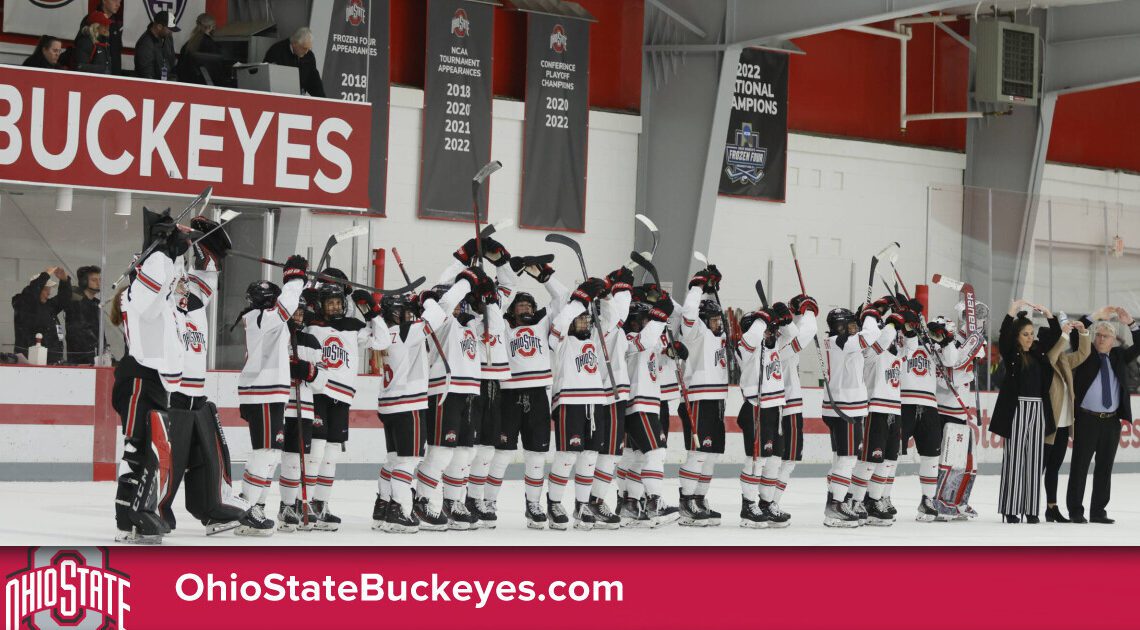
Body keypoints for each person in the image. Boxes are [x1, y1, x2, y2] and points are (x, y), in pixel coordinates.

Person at [106, 215, 188, 543]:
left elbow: (167, 289)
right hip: (138, 379)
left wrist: (176, 257)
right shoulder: (136, 295)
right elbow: (153, 295)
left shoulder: (154, 295)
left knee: (148, 448)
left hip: (148, 380)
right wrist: (162, 256)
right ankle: (131, 517)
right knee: (139, 448)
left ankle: (134, 515)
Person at [489, 252, 568, 528]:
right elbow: (496, 303)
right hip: (508, 395)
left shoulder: (543, 323)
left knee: (537, 455)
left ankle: (534, 506)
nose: (524, 308)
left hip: (538, 396)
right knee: (501, 454)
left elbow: (562, 299)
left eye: (528, 304)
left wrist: (546, 277)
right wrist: (508, 274)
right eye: (519, 304)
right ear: (512, 309)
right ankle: (488, 502)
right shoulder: (502, 323)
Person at [1067, 307, 1140, 524]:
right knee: (1079, 466)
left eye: (1105, 336)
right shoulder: (1086, 353)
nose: (1100, 339)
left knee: (1104, 467)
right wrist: (1094, 317)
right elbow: (1074, 334)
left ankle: (1098, 511)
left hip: (1110, 422)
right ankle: (1076, 511)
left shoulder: (1118, 355)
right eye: (1098, 335)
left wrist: (1131, 324)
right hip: (1087, 419)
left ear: (1113, 340)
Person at [990, 299, 1057, 523]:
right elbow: (1003, 334)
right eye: (1026, 334)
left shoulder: (1038, 352)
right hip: (1017, 409)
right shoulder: (1012, 355)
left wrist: (1048, 313)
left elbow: (1055, 334)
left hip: (1037, 409)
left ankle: (1030, 509)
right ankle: (1010, 508)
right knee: (1015, 459)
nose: (1030, 337)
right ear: (1017, 336)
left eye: (1031, 333)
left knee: (1034, 461)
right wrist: (1011, 311)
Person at [677, 265, 729, 526]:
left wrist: (711, 290)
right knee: (698, 452)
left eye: (719, 319)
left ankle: (699, 498)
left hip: (717, 401)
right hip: (697, 399)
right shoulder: (695, 332)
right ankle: (686, 502)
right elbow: (687, 313)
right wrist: (697, 287)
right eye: (714, 319)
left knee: (712, 454)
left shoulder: (719, 335)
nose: (718, 323)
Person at [820, 306, 881, 527]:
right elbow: (873, 334)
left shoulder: (839, 342)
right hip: (845, 409)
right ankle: (835, 505)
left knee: (840, 459)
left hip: (840, 407)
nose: (856, 329)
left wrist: (864, 320)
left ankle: (837, 499)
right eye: (851, 325)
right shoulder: (843, 342)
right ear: (840, 326)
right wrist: (872, 316)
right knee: (846, 460)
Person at [734, 301, 793, 528]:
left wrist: (783, 318)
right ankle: (748, 506)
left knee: (774, 461)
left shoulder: (774, 346)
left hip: (775, 408)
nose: (771, 332)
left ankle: (766, 504)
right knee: (756, 460)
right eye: (768, 329)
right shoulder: (746, 348)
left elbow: (795, 335)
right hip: (756, 408)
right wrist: (762, 319)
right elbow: (750, 340)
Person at [1043, 317, 1090, 522]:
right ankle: (1028, 505)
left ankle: (1051, 507)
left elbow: (1083, 353)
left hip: (1063, 426)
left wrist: (1083, 332)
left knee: (1053, 468)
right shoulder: (1046, 359)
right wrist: (1063, 334)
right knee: (1040, 468)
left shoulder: (1063, 359)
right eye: (1061, 340)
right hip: (1048, 425)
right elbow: (1052, 354)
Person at [11, 267, 70, 364]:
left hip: (52, 361)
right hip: (29, 361)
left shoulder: (49, 306)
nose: (49, 293)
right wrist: (45, 275)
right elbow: (30, 294)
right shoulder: (22, 303)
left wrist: (65, 281)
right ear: (37, 289)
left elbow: (64, 298)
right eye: (46, 289)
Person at [264, 27, 327, 97]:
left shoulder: (309, 55)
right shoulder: (276, 51)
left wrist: (323, 99)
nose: (306, 52)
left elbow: (314, 81)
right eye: (304, 48)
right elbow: (266, 78)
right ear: (294, 43)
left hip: (299, 98)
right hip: (279, 97)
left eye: (309, 49)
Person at [63, 265, 101, 364]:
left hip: (96, 357)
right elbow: (78, 331)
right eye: (94, 280)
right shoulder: (75, 301)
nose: (98, 283)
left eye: (99, 279)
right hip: (80, 360)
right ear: (84, 281)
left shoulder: (96, 304)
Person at [72, 0, 122, 74]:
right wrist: (101, 69)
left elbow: (116, 53)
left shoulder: (115, 24)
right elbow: (81, 59)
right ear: (104, 1)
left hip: (111, 78)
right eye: (115, 1)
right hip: (91, 79)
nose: (118, 4)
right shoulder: (91, 19)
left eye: (120, 2)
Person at [177, 12, 220, 84]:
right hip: (202, 87)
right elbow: (216, 71)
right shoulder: (211, 45)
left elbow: (180, 67)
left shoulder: (187, 44)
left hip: (185, 85)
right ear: (211, 27)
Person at [134, 10, 178, 80]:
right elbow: (146, 76)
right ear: (159, 27)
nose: (171, 32)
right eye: (169, 29)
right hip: (150, 87)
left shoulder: (168, 38)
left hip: (166, 85)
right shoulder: (145, 45)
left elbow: (172, 63)